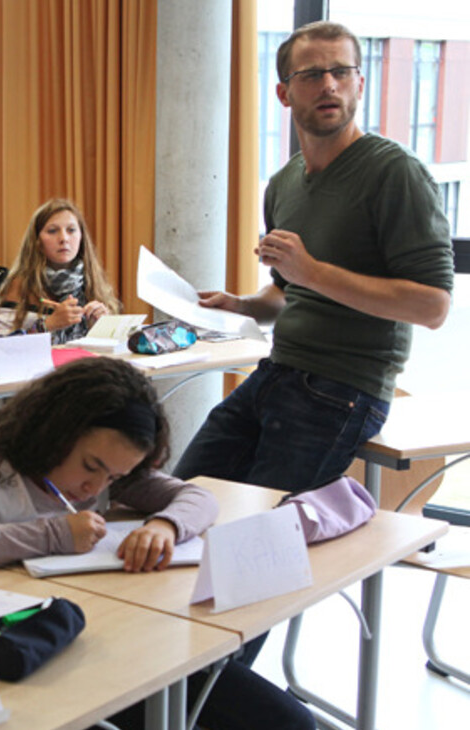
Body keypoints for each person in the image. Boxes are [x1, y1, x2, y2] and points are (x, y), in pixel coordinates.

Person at [0, 358, 314, 730]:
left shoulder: (112, 475)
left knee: (291, 722)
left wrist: (166, 526)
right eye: (91, 467)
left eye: (112, 476)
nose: (95, 487)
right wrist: (55, 534)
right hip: (48, 661)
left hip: (126, 641)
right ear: (56, 431)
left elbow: (200, 499)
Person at [174, 21, 454, 495]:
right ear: (284, 94)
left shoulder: (394, 173)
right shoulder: (283, 184)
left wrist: (312, 271)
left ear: (360, 84)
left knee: (257, 529)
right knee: (179, 499)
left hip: (343, 389)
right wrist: (244, 306)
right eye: (311, 74)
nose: (329, 84)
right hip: (277, 371)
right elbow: (286, 294)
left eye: (341, 72)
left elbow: (432, 307)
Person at [0, 198, 121, 344]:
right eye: (52, 231)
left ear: (81, 237)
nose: (64, 238)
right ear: (37, 241)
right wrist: (48, 325)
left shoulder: (94, 281)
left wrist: (105, 327)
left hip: (85, 364)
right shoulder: (20, 285)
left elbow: (113, 349)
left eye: (71, 230)